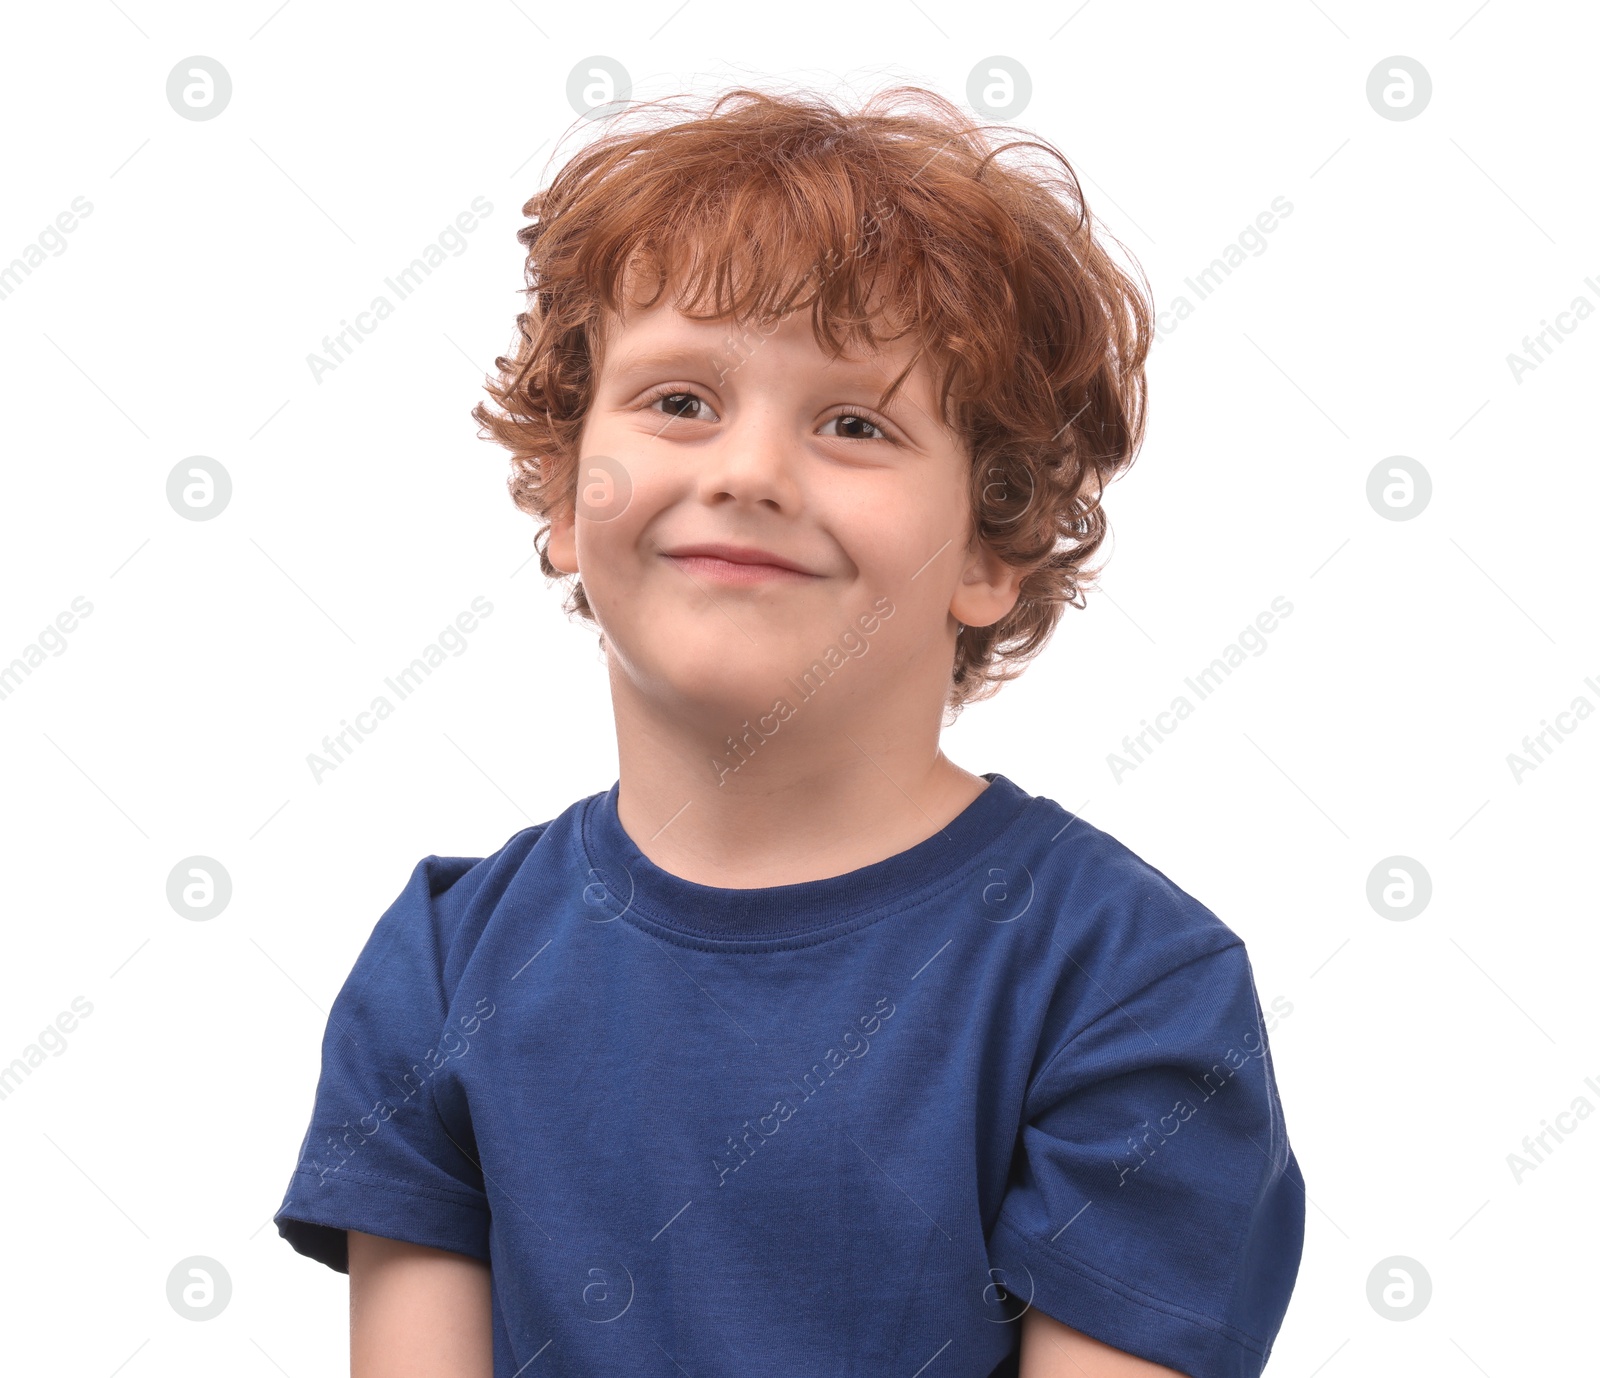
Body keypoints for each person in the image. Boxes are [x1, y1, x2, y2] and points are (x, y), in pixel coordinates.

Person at [273, 84, 1305, 1378]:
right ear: (557, 489)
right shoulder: (436, 970)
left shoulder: (1127, 987)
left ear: (991, 546)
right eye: (681, 403)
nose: (748, 470)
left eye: (854, 423)